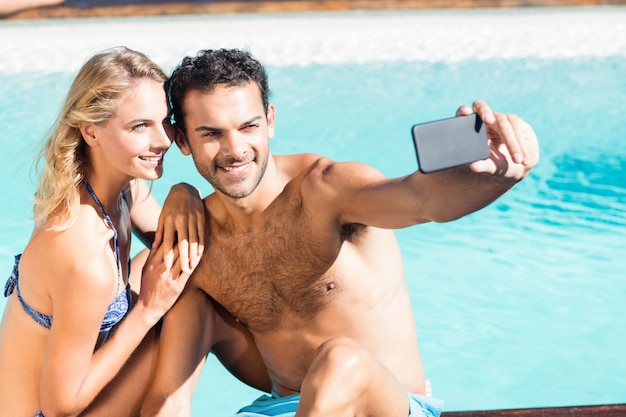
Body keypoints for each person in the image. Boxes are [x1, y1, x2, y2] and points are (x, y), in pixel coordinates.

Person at [141, 48, 540, 417]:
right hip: (280, 409)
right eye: (211, 134)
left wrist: (501, 174)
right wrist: (181, 192)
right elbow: (167, 399)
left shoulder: (326, 190)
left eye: (249, 127)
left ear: (271, 120)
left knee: (339, 360)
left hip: (389, 406)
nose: (235, 149)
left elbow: (423, 199)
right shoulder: (196, 240)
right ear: (182, 140)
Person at [0, 46, 204, 417]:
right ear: (91, 132)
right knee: (188, 298)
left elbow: (186, 241)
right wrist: (147, 310)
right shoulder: (83, 254)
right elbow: (60, 405)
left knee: (180, 263)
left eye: (165, 120)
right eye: (140, 126)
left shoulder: (122, 191)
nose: (162, 140)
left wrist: (184, 191)